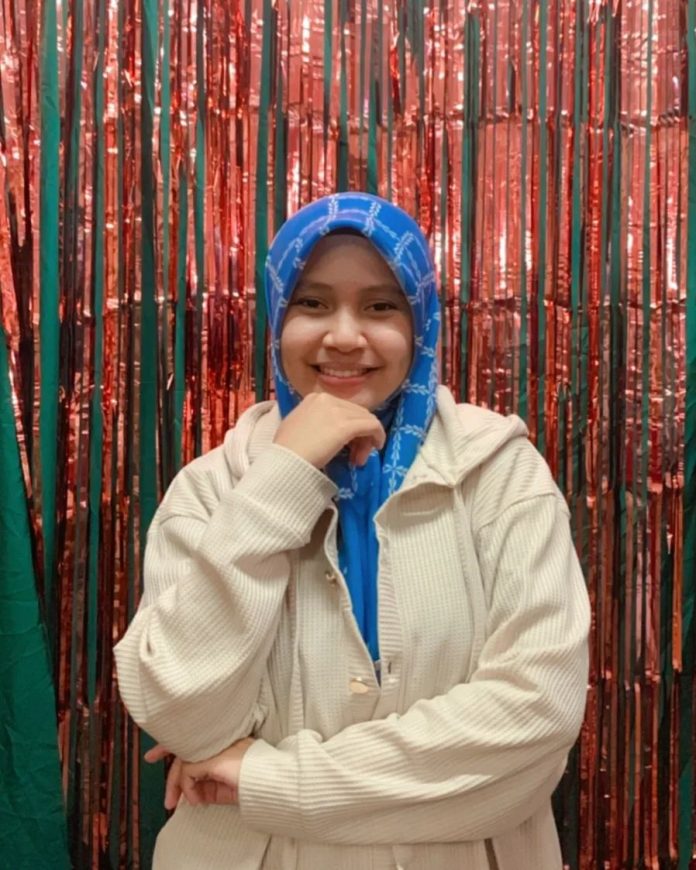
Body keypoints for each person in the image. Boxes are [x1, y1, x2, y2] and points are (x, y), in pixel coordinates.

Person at [114, 191, 590, 870]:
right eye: (312, 303)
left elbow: (532, 727)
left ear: (419, 322)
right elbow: (183, 713)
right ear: (277, 317)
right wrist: (280, 478)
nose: (343, 336)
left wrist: (264, 778)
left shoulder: (499, 474)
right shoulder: (213, 488)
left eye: (380, 306)